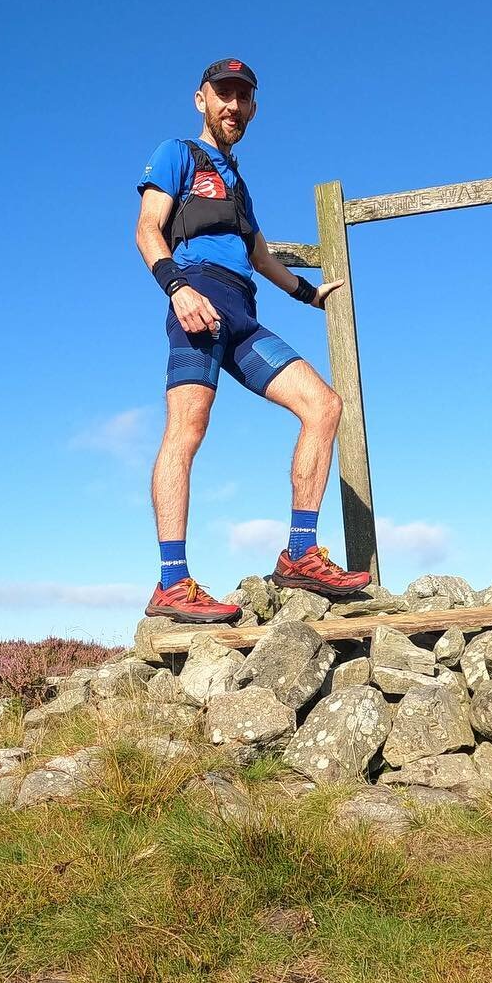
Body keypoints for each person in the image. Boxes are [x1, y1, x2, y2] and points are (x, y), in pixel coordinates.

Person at [134, 58, 372, 622]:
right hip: (196, 302)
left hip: (242, 316)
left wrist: (308, 295)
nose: (233, 106)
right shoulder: (177, 155)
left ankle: (300, 554)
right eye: (224, 95)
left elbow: (260, 255)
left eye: (243, 98)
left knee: (323, 405)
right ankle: (171, 581)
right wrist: (176, 290)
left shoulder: (238, 183)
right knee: (186, 430)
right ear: (201, 99)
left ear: (254, 108)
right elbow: (147, 228)